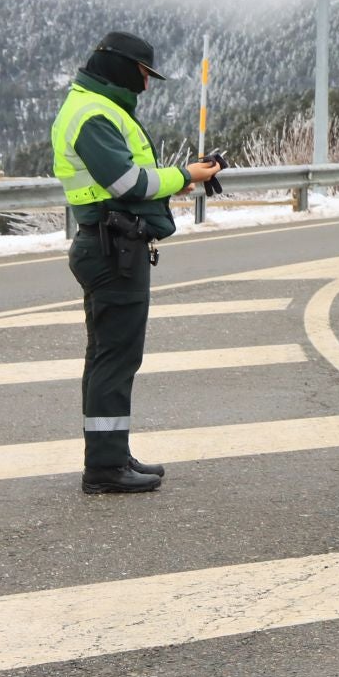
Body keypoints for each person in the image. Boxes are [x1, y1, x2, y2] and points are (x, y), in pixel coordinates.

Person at [50, 32, 223, 494]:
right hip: (112, 248)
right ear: (122, 68)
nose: (146, 86)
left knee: (110, 355)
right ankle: (105, 469)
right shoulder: (93, 114)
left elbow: (125, 182)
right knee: (115, 357)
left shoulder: (94, 106)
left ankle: (111, 452)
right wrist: (187, 174)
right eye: (144, 75)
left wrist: (172, 184)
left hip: (110, 243)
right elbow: (127, 182)